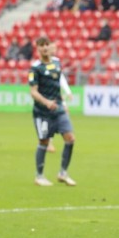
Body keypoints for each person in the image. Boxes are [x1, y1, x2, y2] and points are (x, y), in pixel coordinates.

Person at [28, 36, 77, 187]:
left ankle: (63, 173)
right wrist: (46, 102)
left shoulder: (57, 63)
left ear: (50, 46)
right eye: (41, 45)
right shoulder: (35, 68)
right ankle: (39, 176)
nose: (44, 48)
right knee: (44, 141)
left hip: (59, 109)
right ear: (37, 49)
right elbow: (33, 92)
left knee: (70, 139)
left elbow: (56, 86)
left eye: (46, 45)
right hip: (42, 112)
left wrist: (62, 103)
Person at [45, 41, 73, 153]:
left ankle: (60, 138)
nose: (54, 50)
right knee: (49, 118)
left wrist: (68, 91)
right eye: (52, 48)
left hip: (57, 94)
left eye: (55, 48)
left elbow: (60, 77)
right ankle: (48, 142)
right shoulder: (43, 63)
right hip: (48, 94)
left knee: (64, 112)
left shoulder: (56, 61)